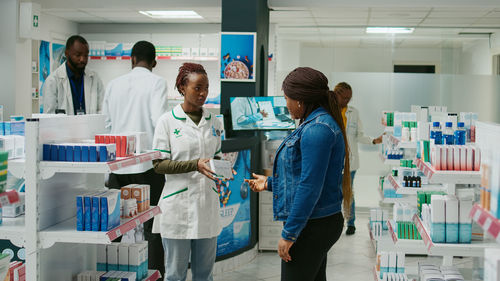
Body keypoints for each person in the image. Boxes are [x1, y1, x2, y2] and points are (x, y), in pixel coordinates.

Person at [246, 67, 352, 281]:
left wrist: (289, 233)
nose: (286, 105)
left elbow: (310, 186)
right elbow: (306, 179)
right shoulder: (316, 124)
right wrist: (268, 183)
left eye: (287, 98)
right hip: (319, 221)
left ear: (300, 100)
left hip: (313, 226)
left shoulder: (317, 129)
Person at [152, 63, 224, 281]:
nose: (203, 93)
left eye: (206, 88)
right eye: (197, 88)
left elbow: (217, 157)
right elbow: (159, 165)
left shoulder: (214, 121)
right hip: (178, 208)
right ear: (182, 88)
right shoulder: (167, 121)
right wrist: (195, 165)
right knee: (175, 274)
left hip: (206, 206)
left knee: (205, 275)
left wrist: (221, 169)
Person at [102, 41, 168, 276]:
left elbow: (106, 124)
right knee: (152, 225)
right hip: (146, 167)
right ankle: (155, 274)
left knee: (114, 225)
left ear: (131, 59)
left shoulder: (113, 85)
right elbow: (158, 121)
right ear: (154, 62)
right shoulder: (157, 82)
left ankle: (111, 274)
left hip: (117, 166)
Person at [333, 82, 383, 235]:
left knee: (348, 192)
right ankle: (334, 223)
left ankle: (351, 223)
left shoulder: (353, 113)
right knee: (333, 193)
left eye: (349, 98)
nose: (347, 101)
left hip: (350, 162)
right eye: (345, 98)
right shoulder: (329, 111)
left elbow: (359, 135)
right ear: (336, 95)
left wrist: (374, 140)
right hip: (333, 160)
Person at [42, 35, 104, 115]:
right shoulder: (53, 81)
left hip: (90, 126)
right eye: (78, 55)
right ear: (67, 54)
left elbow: (101, 109)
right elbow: (49, 115)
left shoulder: (94, 78)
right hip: (64, 127)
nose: (82, 59)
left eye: (85, 55)